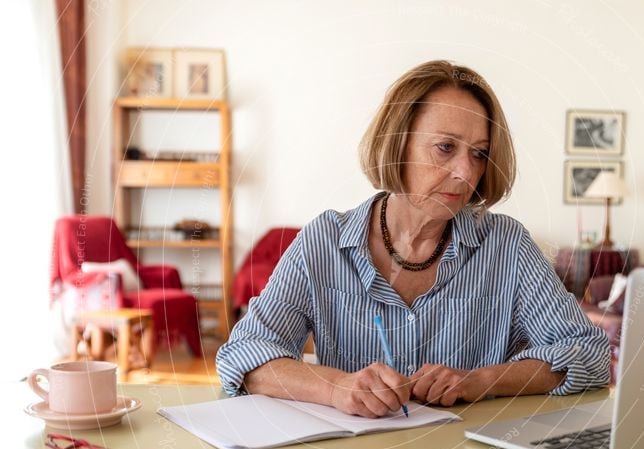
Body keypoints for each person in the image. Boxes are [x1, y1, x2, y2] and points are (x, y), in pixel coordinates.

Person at [216, 60, 610, 418]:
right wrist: (338, 387)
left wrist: (479, 380)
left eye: (478, 154)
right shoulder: (325, 240)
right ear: (397, 144)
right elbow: (245, 355)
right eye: (445, 147)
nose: (464, 172)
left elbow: (588, 354)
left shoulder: (507, 245)